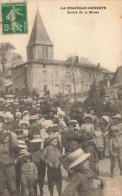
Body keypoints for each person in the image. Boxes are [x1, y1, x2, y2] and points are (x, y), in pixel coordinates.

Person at [0, 122, 18, 196]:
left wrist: (11, 134)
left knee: (11, 181)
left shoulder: (11, 137)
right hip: (1, 163)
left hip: (10, 163)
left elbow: (15, 145)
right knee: (1, 181)